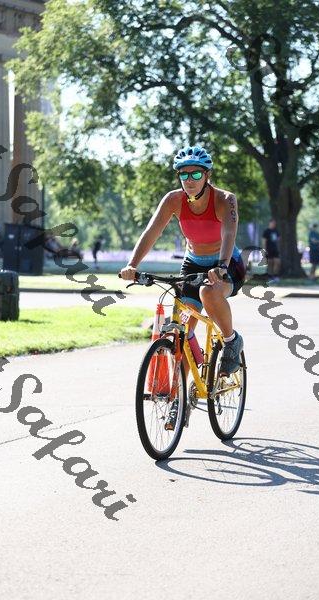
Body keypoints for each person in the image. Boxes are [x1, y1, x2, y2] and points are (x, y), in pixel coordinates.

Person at [119, 145, 246, 430]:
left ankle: (231, 340)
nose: (189, 179)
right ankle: (180, 398)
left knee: (209, 293)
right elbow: (152, 231)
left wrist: (222, 266)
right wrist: (132, 265)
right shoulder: (173, 200)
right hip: (193, 263)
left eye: (196, 174)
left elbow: (229, 232)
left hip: (227, 262)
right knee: (183, 331)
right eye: (184, 174)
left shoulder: (225, 199)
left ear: (207, 175)